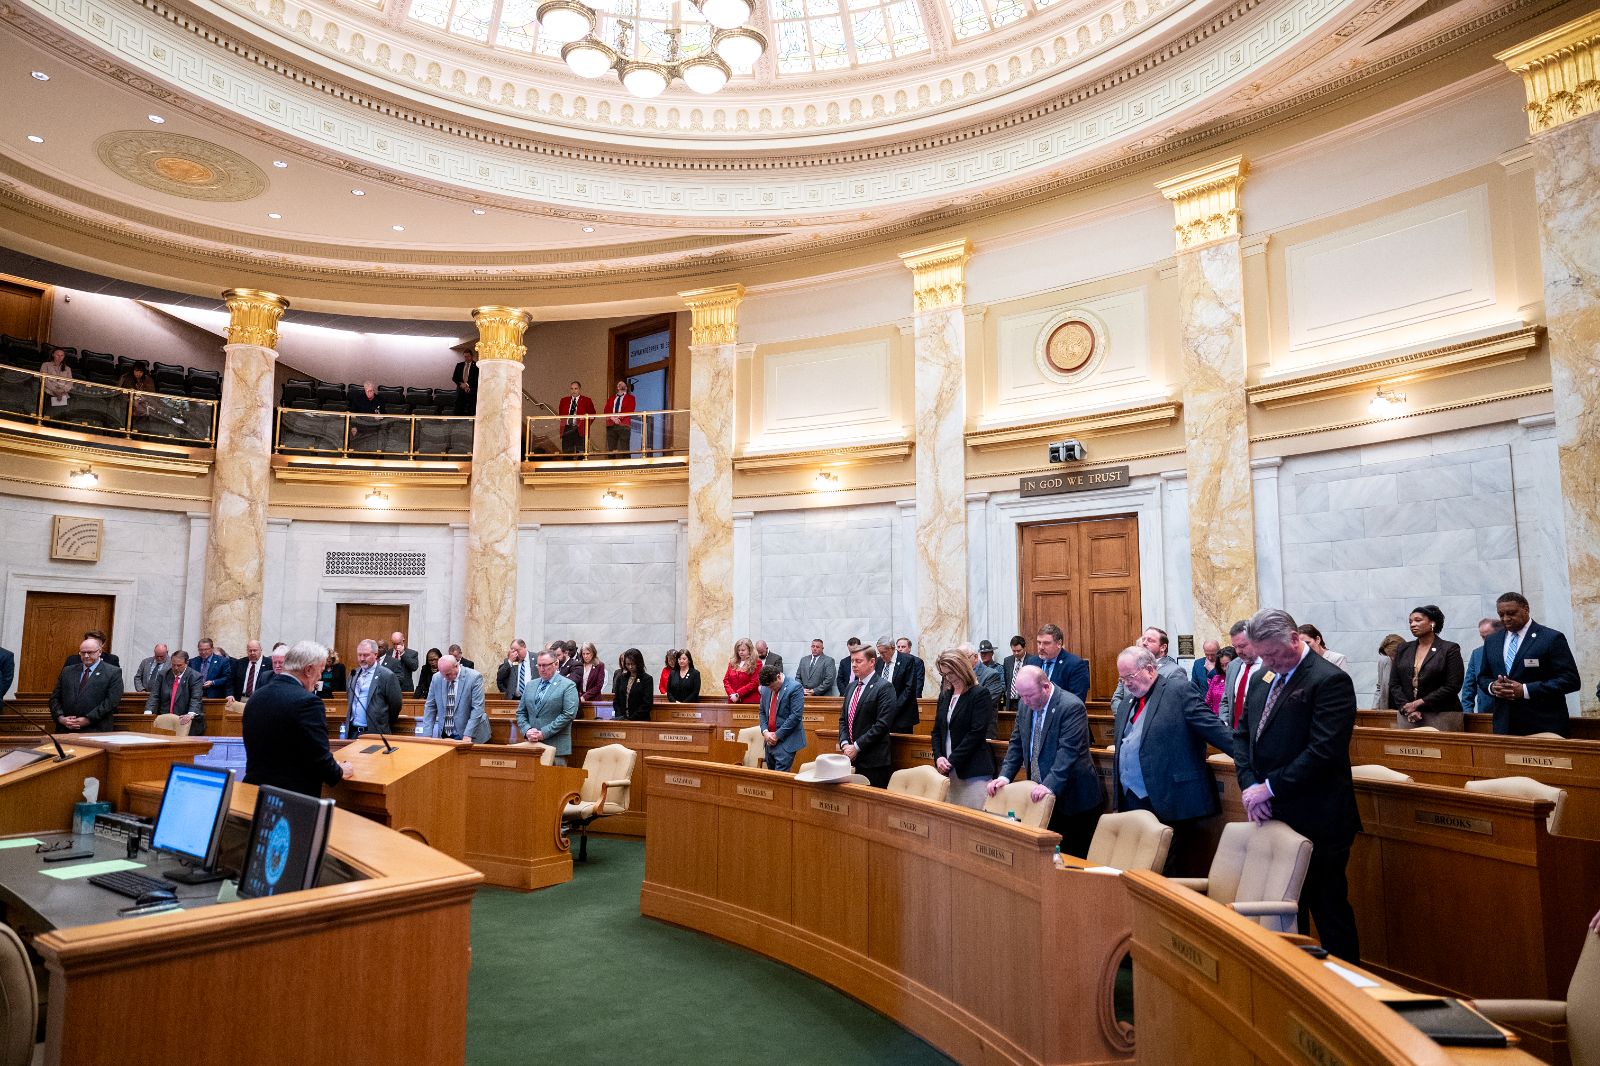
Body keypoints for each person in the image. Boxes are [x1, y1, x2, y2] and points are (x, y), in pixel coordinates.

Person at [1233, 609, 1360, 962]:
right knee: (1285, 909)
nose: (1267, 662)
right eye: (1261, 655)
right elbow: (1243, 736)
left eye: (1273, 654)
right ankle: (1295, 976)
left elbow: (1324, 751)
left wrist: (1270, 788)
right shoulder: (1264, 676)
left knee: (1328, 907)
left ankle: (1348, 984)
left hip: (1319, 817)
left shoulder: (1328, 680)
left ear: (1293, 639)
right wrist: (1251, 787)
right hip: (1273, 814)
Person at [1112, 647, 1233, 870]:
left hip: (1170, 799)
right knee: (1137, 869)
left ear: (1150, 670)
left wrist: (1251, 757)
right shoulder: (1127, 703)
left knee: (1165, 870)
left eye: (1130, 677)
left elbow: (1215, 730)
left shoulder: (1179, 691)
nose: (1126, 683)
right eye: (1122, 678)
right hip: (1133, 801)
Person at [989, 665, 1101, 857]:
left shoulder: (1071, 706)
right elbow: (1017, 742)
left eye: (1029, 696)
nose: (1025, 701)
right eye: (1021, 696)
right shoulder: (1025, 704)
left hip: (1072, 798)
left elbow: (1068, 752)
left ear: (1046, 687)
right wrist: (1005, 776)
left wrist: (1049, 784)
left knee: (1069, 859)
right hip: (1041, 796)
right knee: (1045, 857)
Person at [243, 640, 353, 797]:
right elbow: (320, 760)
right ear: (308, 669)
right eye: (320, 671)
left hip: (253, 793)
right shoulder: (308, 702)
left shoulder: (256, 696)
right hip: (291, 800)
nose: (319, 677)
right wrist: (340, 771)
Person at [1475, 592, 1580, 737]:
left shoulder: (1551, 638)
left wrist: (1525, 690)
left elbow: (1571, 680)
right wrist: (1493, 687)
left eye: (1511, 613)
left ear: (1526, 609)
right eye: (1501, 614)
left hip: (1544, 724)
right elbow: (1483, 677)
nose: (1505, 619)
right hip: (1505, 725)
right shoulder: (1492, 640)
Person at [930, 650, 996, 808]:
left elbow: (976, 733)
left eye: (951, 672)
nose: (948, 678)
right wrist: (939, 757)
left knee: (974, 817)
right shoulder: (945, 696)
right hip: (948, 770)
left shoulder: (979, 694)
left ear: (961, 668)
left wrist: (951, 761)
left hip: (972, 770)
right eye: (944, 674)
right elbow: (937, 731)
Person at [1390, 605, 1464, 731]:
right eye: (1410, 622)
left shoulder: (1449, 649)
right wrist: (1407, 707)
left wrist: (1418, 703)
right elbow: (1394, 683)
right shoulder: (1403, 649)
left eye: (1418, 620)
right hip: (1409, 716)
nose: (1413, 624)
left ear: (1432, 623)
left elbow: (1453, 685)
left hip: (1441, 714)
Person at [837, 645, 895, 788]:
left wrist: (856, 747)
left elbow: (882, 724)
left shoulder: (884, 687)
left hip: (873, 761)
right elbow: (843, 719)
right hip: (850, 759)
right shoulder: (851, 687)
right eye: (852, 661)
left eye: (858, 661)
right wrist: (845, 744)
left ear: (872, 662)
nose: (854, 665)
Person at [50, 635, 123, 733]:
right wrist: (60, 718)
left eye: (90, 652)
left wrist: (88, 719)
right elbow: (55, 698)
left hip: (96, 730)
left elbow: (111, 701)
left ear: (99, 652)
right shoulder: (68, 671)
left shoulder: (113, 672)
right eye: (83, 653)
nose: (86, 656)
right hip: (65, 729)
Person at [517, 650, 579, 763]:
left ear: (556, 664)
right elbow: (521, 712)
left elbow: (568, 714)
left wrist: (544, 733)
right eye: (539, 665)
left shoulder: (568, 685)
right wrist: (527, 730)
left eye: (545, 665)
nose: (541, 669)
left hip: (556, 748)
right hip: (532, 746)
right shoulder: (530, 685)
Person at [421, 654, 489, 743]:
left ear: (456, 666)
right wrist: (427, 735)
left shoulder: (474, 677)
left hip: (470, 734)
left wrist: (468, 735)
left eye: (448, 674)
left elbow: (478, 708)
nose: (445, 678)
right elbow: (430, 707)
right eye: (442, 674)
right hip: (445, 734)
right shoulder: (437, 678)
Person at [348, 638, 405, 736]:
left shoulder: (387, 675)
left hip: (375, 732)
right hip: (353, 732)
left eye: (366, 655)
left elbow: (396, 705)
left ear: (375, 654)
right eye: (359, 655)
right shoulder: (353, 674)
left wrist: (382, 722)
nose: (362, 658)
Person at [757, 665, 806, 772]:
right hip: (769, 741)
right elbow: (762, 712)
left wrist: (776, 735)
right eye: (768, 687)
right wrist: (765, 732)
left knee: (779, 778)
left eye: (772, 687)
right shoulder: (766, 688)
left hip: (785, 741)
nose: (771, 689)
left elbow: (795, 716)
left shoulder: (795, 687)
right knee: (770, 777)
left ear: (778, 677)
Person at [1023, 624, 1091, 702]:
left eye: (1046, 643)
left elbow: (1076, 701)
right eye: (1039, 642)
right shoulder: (1031, 662)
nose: (1041, 647)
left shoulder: (1075, 665)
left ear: (1059, 644)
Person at [145, 649, 205, 735]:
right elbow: (154, 695)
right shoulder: (163, 674)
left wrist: (190, 714)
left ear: (186, 663)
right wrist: (148, 711)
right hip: (165, 719)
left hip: (185, 720)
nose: (176, 668)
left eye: (179, 665)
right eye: (173, 665)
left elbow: (196, 698)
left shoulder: (195, 676)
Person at [1220, 619, 1265, 729]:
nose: (1238, 651)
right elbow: (1226, 700)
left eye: (1242, 646)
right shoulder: (1232, 666)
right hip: (1234, 732)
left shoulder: (1271, 666)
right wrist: (1224, 722)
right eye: (1235, 647)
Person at [875, 635, 924, 732]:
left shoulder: (907, 660)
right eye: (879, 653)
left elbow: (909, 688)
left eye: (884, 652)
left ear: (893, 648)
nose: (882, 655)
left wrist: (892, 708)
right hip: (882, 715)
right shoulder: (879, 661)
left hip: (902, 716)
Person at [1460, 617, 1503, 716]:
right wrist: (1467, 712)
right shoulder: (1477, 654)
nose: (1486, 640)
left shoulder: (1509, 651)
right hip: (1485, 712)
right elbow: (1468, 687)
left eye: (1488, 636)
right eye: (1483, 637)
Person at [613, 647, 653, 721]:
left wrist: (631, 719)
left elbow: (647, 704)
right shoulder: (621, 678)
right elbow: (616, 701)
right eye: (628, 664)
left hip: (640, 720)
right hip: (622, 719)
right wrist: (620, 717)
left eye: (633, 664)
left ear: (639, 663)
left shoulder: (647, 679)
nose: (630, 667)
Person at [558, 380, 596, 455]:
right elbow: (561, 414)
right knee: (567, 453)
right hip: (567, 429)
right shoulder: (564, 400)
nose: (573, 391)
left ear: (580, 389)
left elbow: (592, 414)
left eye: (576, 389)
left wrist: (585, 424)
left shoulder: (586, 400)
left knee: (581, 454)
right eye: (572, 389)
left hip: (580, 429)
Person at [961, 642, 1005, 706]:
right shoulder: (961, 673)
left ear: (992, 653)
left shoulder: (995, 672)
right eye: (982, 653)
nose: (983, 655)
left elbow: (987, 701)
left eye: (986, 653)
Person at [1372, 634, 1405, 711]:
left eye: (1394, 655)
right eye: (1389, 656)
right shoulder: (1383, 662)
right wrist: (1374, 708)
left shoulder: (1412, 661)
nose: (1392, 659)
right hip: (1387, 709)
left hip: (1406, 709)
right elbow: (1379, 687)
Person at [603, 378, 635, 456]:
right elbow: (606, 409)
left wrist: (618, 417)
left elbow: (630, 409)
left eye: (623, 384)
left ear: (626, 387)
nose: (622, 385)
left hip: (624, 425)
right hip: (611, 424)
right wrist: (612, 418)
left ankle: (626, 463)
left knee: (625, 448)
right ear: (617, 387)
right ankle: (611, 463)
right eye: (620, 384)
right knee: (611, 449)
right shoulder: (611, 398)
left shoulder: (631, 398)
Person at [723, 638, 760, 704]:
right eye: (738, 650)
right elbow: (726, 680)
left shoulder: (756, 663)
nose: (740, 652)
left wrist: (738, 694)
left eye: (743, 650)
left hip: (749, 701)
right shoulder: (732, 662)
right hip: (733, 700)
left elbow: (755, 682)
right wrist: (732, 694)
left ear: (750, 650)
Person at [1205, 647, 1236, 717]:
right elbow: (1208, 701)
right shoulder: (1216, 679)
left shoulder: (1239, 678)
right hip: (1215, 719)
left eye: (1227, 664)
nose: (1225, 668)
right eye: (1222, 665)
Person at [1001, 635, 1027, 712]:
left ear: (1024, 647)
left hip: (1025, 701)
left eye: (1019, 650)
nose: (1016, 653)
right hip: (1010, 701)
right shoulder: (1007, 661)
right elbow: (1006, 681)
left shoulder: (1032, 660)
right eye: (1014, 651)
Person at [452, 350, 479, 415]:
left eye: (468, 356)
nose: (467, 358)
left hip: (471, 391)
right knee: (458, 410)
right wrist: (461, 384)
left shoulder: (477, 366)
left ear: (472, 356)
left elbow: (477, 378)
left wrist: (467, 384)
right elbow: (454, 378)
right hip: (460, 391)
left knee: (471, 410)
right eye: (465, 356)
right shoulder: (459, 365)